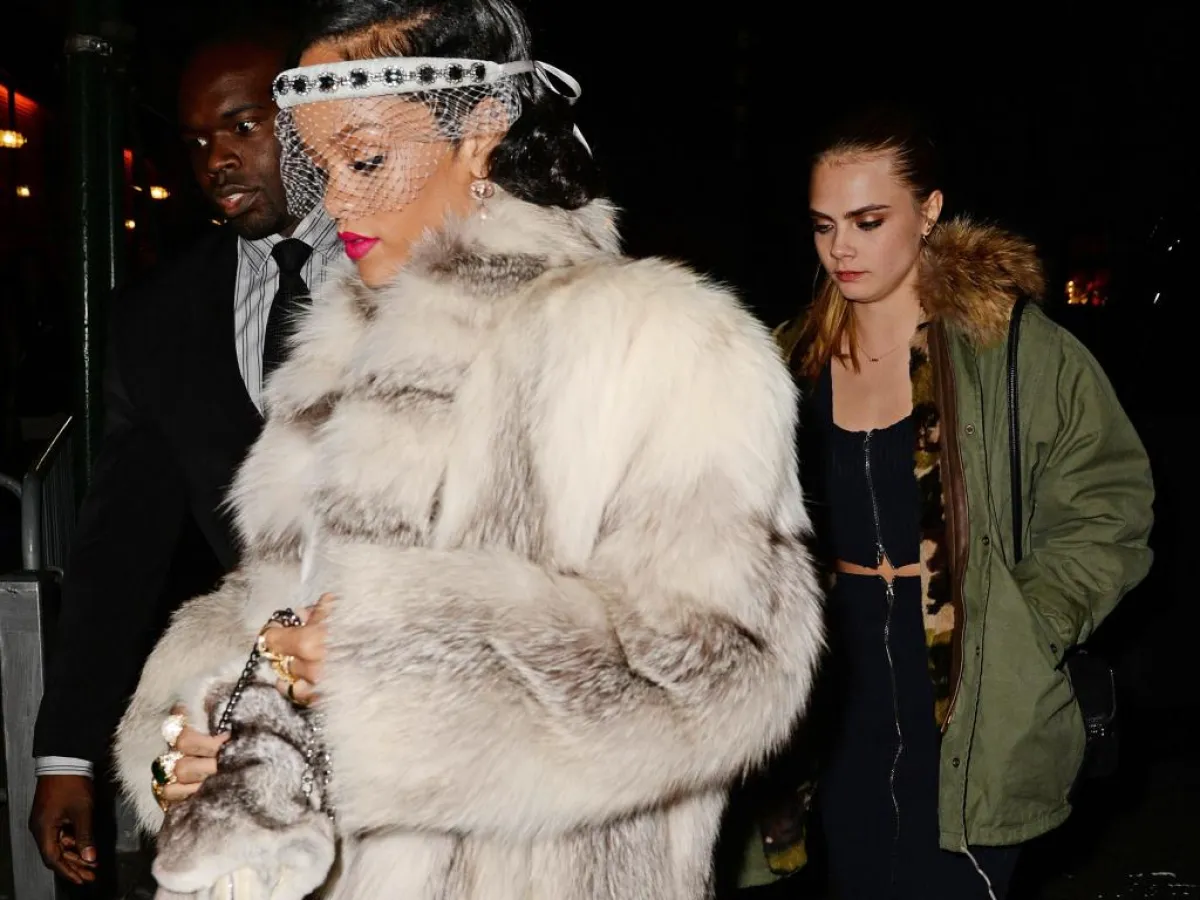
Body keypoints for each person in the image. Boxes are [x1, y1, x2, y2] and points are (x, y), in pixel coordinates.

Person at [112, 1, 825, 897]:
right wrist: (199, 733)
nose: (336, 201)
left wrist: (387, 665)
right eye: (322, 166)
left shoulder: (657, 337)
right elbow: (277, 606)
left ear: (481, 134)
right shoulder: (338, 355)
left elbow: (727, 666)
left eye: (367, 159)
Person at [749, 109, 1154, 899]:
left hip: (970, 691)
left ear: (929, 210)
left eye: (869, 221)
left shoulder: (1009, 350)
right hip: (838, 693)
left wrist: (1029, 620)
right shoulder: (787, 361)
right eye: (825, 226)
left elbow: (1111, 501)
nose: (842, 248)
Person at [28, 25, 339, 887]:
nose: (217, 160)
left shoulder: (406, 264)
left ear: (308, 120)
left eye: (243, 126)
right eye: (198, 140)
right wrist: (65, 754)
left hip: (421, 682)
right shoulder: (160, 317)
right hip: (261, 701)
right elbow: (117, 551)